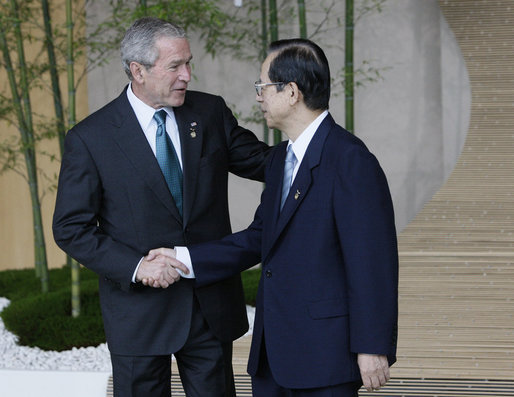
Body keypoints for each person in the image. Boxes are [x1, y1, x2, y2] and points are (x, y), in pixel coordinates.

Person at [148, 38, 399, 396]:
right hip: (273, 355)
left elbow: (372, 263)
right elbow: (258, 237)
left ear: (292, 91)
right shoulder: (282, 159)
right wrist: (183, 257)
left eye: (262, 86)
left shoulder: (350, 161)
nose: (258, 97)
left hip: (325, 357)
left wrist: (372, 346)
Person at [52, 17, 270, 397]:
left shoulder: (210, 113)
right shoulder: (91, 139)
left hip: (208, 306)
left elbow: (265, 163)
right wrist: (137, 267)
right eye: (175, 66)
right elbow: (71, 228)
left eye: (188, 63)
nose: (186, 75)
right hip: (138, 313)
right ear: (138, 70)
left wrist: (316, 139)